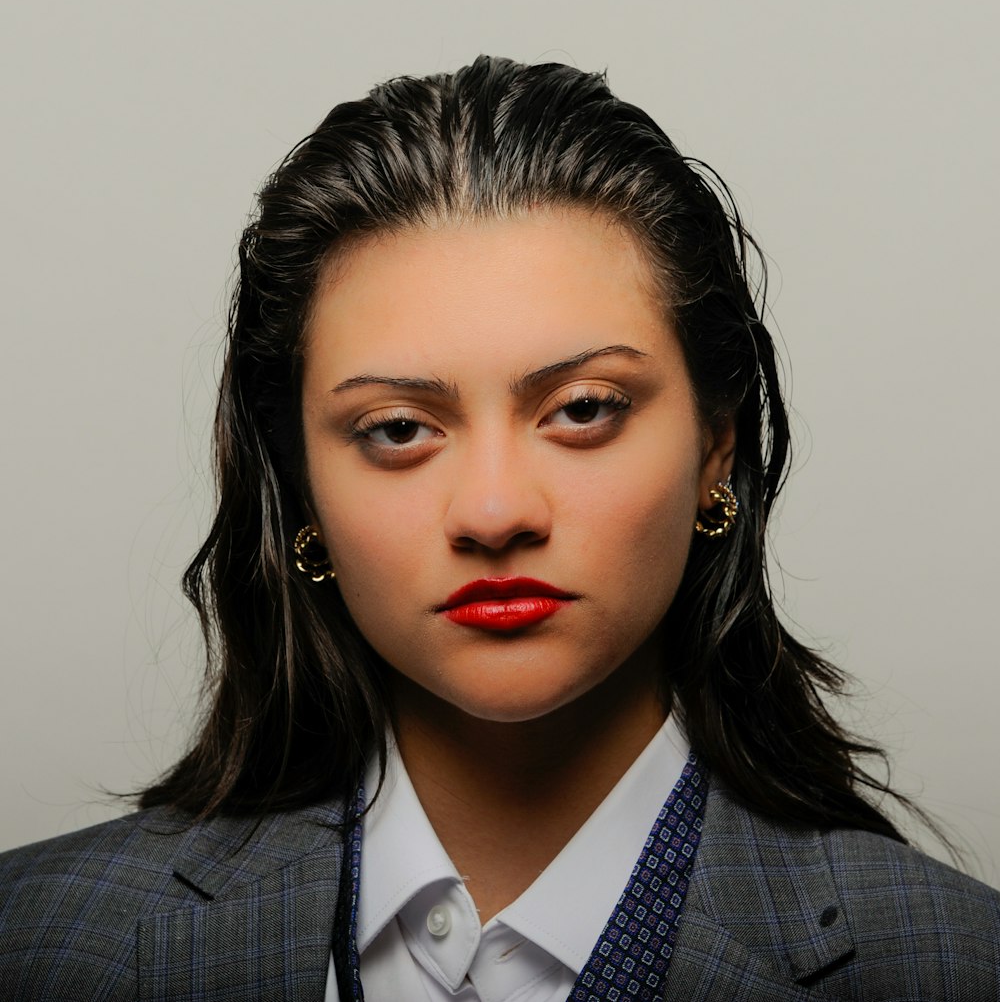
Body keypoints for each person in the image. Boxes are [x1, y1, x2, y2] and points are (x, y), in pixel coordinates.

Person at [1, 55, 997, 1002]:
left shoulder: (952, 965)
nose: (492, 512)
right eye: (396, 429)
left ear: (714, 452)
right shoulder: (36, 941)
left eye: (583, 408)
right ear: (299, 488)